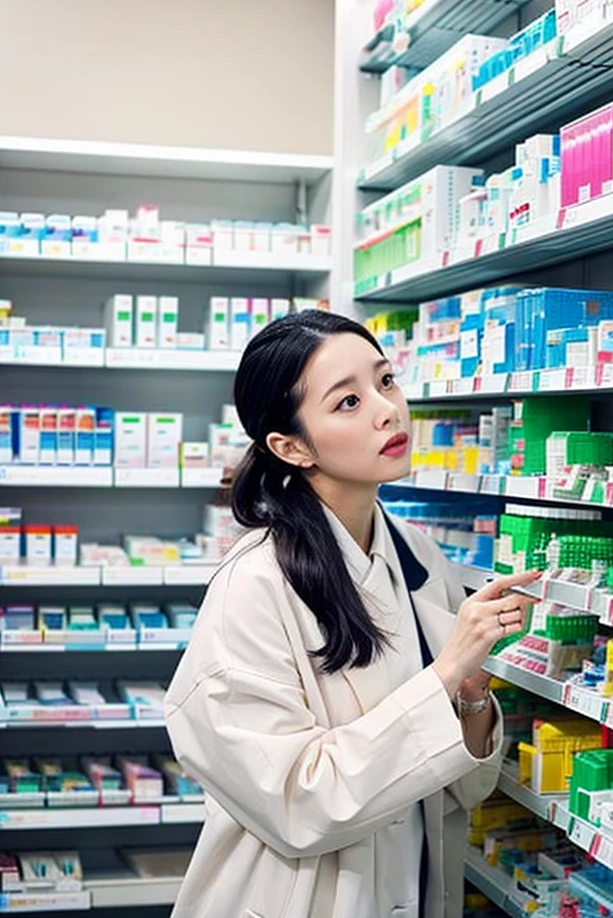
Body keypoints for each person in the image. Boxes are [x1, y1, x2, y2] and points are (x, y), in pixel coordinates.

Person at [165, 309, 536, 918]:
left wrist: (470, 695)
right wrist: (444, 672)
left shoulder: (419, 556)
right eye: (347, 403)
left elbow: (462, 788)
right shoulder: (253, 588)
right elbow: (298, 805)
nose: (387, 410)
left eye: (385, 381)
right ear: (290, 446)